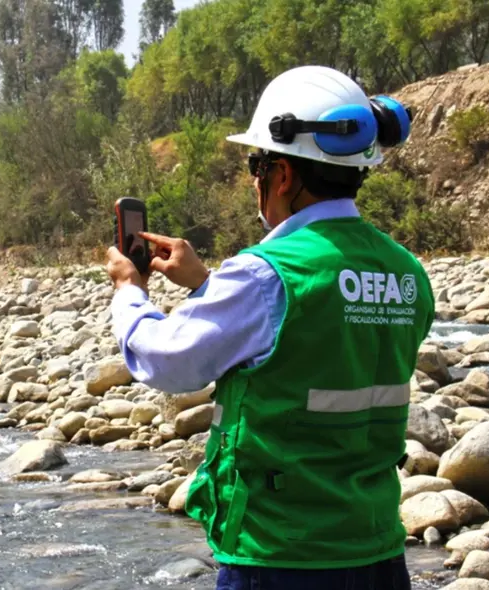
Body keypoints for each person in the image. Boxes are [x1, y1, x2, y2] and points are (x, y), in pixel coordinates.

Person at [105, 65, 435, 590]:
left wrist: (129, 290)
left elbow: (167, 360)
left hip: (280, 554)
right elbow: (319, 342)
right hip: (375, 551)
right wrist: (207, 285)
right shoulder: (406, 271)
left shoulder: (265, 274)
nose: (254, 180)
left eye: (256, 166)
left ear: (282, 176)